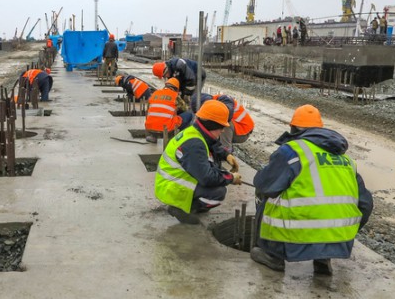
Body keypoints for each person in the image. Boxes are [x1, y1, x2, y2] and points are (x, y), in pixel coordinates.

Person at [250, 104, 373, 275]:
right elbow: (366, 204)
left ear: (293, 128)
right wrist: (346, 231)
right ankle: (323, 257)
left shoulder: (293, 151)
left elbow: (264, 183)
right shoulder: (346, 160)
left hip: (296, 235)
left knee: (264, 195)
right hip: (338, 237)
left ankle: (272, 255)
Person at [154, 100, 242, 224]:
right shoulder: (194, 144)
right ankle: (181, 209)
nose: (223, 130)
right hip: (171, 188)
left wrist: (226, 155)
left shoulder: (195, 131)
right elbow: (207, 177)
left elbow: (211, 143)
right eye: (221, 127)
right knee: (218, 193)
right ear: (212, 125)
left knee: (216, 176)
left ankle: (192, 204)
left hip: (172, 182)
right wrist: (230, 178)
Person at [144, 78, 193, 143]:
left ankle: (153, 136)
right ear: (176, 89)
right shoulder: (175, 96)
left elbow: (148, 110)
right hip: (167, 129)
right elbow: (185, 108)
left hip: (150, 128)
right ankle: (180, 138)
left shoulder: (155, 93)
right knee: (189, 114)